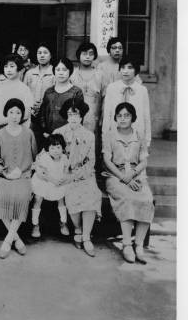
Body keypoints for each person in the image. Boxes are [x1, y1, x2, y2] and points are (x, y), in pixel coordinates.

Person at [103, 102, 154, 264]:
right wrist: (124, 178)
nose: (123, 119)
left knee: (146, 199)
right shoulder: (109, 135)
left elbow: (143, 161)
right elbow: (107, 161)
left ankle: (138, 244)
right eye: (120, 116)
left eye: (127, 115)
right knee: (127, 198)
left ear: (133, 118)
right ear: (115, 118)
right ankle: (126, 244)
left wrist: (131, 175)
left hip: (135, 174)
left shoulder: (139, 135)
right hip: (115, 176)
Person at [53, 98, 102, 257]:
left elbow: (91, 162)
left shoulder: (89, 135)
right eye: (70, 114)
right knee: (72, 195)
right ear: (66, 116)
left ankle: (86, 236)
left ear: (82, 116)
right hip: (64, 174)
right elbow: (51, 157)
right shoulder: (58, 133)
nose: (73, 118)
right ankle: (78, 229)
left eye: (76, 114)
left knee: (91, 193)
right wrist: (64, 175)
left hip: (84, 174)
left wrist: (77, 175)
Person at [0, 99, 37, 258]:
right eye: (11, 112)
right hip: (4, 176)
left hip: (24, 176)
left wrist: (24, 171)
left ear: (22, 115)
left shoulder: (29, 133)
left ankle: (8, 239)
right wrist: (6, 173)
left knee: (22, 196)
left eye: (18, 112)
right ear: (6, 114)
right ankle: (15, 239)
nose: (14, 116)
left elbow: (34, 156)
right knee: (0, 196)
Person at [102, 56, 151, 147]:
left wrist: (147, 142)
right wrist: (105, 139)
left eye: (130, 68)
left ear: (136, 70)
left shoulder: (142, 90)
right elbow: (107, 115)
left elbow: (146, 116)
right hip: (115, 134)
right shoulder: (111, 88)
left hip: (136, 135)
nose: (125, 71)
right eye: (123, 67)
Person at [31, 133, 70, 239]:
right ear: (48, 149)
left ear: (62, 148)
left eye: (58, 147)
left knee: (62, 199)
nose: (56, 151)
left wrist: (63, 178)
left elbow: (66, 171)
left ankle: (63, 222)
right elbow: (42, 174)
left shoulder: (64, 158)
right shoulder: (44, 158)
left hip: (58, 181)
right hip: (45, 181)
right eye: (52, 148)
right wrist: (53, 180)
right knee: (38, 199)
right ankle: (35, 224)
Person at [0, 53, 34, 137]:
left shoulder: (24, 89)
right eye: (6, 66)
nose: (8, 70)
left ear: (19, 68)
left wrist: (3, 121)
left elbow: (26, 115)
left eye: (12, 66)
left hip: (17, 131)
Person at [39, 57, 83, 136]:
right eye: (58, 70)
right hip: (50, 136)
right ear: (54, 71)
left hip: (70, 136)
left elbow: (79, 116)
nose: (61, 73)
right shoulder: (49, 92)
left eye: (64, 70)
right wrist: (44, 131)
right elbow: (43, 114)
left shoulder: (76, 92)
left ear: (70, 71)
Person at [24, 42, 55, 149]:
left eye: (45, 53)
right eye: (39, 53)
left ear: (51, 55)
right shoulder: (29, 73)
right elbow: (24, 93)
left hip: (48, 114)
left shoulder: (55, 73)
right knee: (32, 143)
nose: (42, 55)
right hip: (31, 114)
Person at [70, 42, 102, 134]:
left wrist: (102, 117)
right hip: (74, 116)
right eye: (84, 54)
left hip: (93, 117)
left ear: (94, 56)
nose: (87, 57)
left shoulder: (100, 75)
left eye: (91, 54)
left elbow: (105, 97)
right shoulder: (72, 74)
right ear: (78, 55)